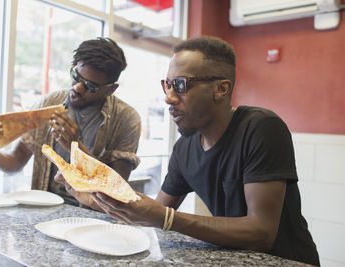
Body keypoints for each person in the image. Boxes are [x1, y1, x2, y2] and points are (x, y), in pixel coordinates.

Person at [57, 36, 320, 266]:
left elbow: (262, 232)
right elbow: (150, 214)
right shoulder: (184, 149)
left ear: (221, 89)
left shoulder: (261, 128)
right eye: (167, 85)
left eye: (181, 85)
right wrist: (92, 196)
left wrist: (167, 218)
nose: (169, 97)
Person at [0, 37, 141, 206]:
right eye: (76, 76)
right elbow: (15, 163)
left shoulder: (127, 119)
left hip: (94, 217)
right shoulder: (49, 103)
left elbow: (117, 191)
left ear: (111, 89)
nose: (77, 88)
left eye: (91, 86)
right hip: (45, 209)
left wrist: (76, 148)